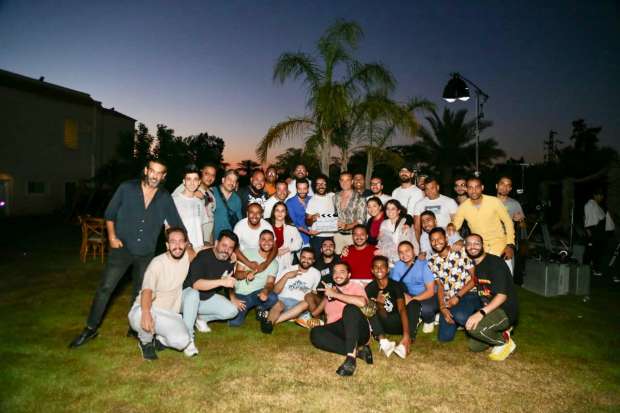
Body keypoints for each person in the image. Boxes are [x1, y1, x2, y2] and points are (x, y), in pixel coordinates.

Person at [69, 159, 187, 348]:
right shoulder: (127, 188)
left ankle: (134, 327)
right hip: (122, 249)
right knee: (106, 288)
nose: (155, 176)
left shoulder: (165, 197)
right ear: (146, 170)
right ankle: (90, 328)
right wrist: (112, 237)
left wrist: (182, 245)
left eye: (159, 173)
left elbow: (176, 224)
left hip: (146, 252)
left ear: (164, 176)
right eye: (152, 171)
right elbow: (110, 214)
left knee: (140, 292)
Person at [127, 227, 194, 360]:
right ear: (167, 245)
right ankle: (146, 342)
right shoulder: (157, 263)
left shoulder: (187, 257)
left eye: (181, 241)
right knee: (144, 315)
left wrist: (233, 253)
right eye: (173, 242)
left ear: (186, 244)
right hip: (146, 308)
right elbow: (147, 291)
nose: (177, 246)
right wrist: (146, 313)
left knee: (183, 341)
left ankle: (160, 339)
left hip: (169, 314)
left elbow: (206, 251)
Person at [181, 230, 239, 356]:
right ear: (216, 243)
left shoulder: (229, 261)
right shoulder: (203, 256)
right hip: (186, 298)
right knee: (194, 294)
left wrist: (232, 297)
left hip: (205, 298)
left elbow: (228, 280)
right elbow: (196, 285)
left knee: (232, 311)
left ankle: (200, 318)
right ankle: (187, 340)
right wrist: (222, 282)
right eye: (224, 245)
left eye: (230, 248)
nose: (226, 250)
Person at [309, 262, 372, 377]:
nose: (337, 275)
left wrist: (336, 294)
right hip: (340, 332)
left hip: (358, 330)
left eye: (342, 272)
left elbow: (362, 302)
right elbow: (315, 313)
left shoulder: (355, 287)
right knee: (315, 333)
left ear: (349, 275)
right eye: (335, 272)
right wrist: (310, 298)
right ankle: (359, 352)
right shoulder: (330, 291)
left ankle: (350, 359)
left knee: (350, 309)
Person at [465, 233, 519, 361]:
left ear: (483, 245)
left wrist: (481, 313)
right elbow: (485, 292)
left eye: (476, 243)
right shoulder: (477, 267)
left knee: (476, 329)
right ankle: (500, 332)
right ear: (465, 247)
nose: (473, 247)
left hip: (505, 310)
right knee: (474, 346)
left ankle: (504, 342)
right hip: (493, 308)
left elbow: (501, 296)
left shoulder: (495, 263)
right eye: (469, 244)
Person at [428, 228, 479, 342]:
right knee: (444, 337)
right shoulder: (432, 261)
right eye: (433, 240)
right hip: (449, 299)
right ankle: (460, 319)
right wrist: (442, 307)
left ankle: (477, 316)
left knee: (460, 315)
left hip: (468, 294)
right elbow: (440, 286)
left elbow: (475, 278)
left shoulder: (461, 252)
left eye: (439, 238)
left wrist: (458, 296)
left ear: (446, 239)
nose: (436, 242)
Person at [452, 176, 515, 258]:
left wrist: (510, 245)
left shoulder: (494, 201)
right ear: (466, 189)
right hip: (480, 250)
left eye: (477, 187)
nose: (474, 191)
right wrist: (457, 239)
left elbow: (508, 222)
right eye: (470, 187)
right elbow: (455, 226)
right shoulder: (463, 207)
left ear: (482, 188)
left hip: (501, 247)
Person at [229, 230, 279, 333]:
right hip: (241, 294)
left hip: (257, 294)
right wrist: (246, 274)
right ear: (259, 241)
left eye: (270, 240)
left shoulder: (274, 263)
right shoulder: (248, 253)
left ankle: (260, 308)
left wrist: (265, 291)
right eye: (263, 239)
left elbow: (270, 283)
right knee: (235, 322)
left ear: (273, 242)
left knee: (273, 297)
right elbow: (237, 274)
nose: (266, 242)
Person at [365, 256, 411, 359]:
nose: (379, 269)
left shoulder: (396, 285)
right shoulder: (370, 288)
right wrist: (380, 305)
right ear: (372, 270)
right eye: (376, 267)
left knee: (414, 304)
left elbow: (402, 309)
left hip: (397, 322)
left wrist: (406, 334)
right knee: (369, 307)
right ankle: (384, 342)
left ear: (388, 269)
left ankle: (406, 341)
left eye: (382, 266)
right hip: (382, 325)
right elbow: (380, 315)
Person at [389, 241, 436, 340]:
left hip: (427, 295)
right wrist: (403, 296)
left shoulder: (424, 264)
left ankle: (430, 319)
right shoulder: (398, 265)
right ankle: (415, 317)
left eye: (407, 251)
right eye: (401, 252)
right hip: (409, 293)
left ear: (413, 251)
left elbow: (430, 291)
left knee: (426, 309)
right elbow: (395, 286)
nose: (404, 254)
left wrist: (412, 300)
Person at [266, 248, 321, 327]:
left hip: (299, 304)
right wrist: (286, 276)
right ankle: (275, 321)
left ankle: (271, 322)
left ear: (313, 260)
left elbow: (314, 293)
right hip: (282, 300)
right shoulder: (288, 269)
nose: (306, 260)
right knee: (278, 304)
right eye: (304, 257)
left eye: (309, 258)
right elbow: (275, 291)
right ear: (299, 257)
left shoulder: (316, 273)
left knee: (306, 304)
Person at [496, 176, 526, 279]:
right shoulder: (488, 201)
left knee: (507, 274)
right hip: (489, 241)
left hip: (507, 244)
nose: (505, 187)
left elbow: (523, 226)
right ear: (497, 186)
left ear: (510, 189)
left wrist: (520, 220)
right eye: (502, 184)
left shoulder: (515, 204)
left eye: (508, 185)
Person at [412, 177, 458, 242]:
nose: (429, 191)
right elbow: (417, 228)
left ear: (438, 187)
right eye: (427, 189)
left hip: (446, 239)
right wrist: (420, 243)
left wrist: (454, 240)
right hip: (427, 240)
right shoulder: (419, 204)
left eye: (432, 188)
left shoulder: (450, 201)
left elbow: (456, 223)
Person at [173, 165, 208, 248]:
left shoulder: (199, 202)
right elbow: (169, 228)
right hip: (182, 248)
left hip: (199, 248)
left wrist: (203, 245)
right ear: (184, 181)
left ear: (199, 182)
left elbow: (200, 227)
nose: (192, 183)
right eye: (189, 179)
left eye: (195, 179)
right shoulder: (174, 201)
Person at [584, 188, 615, 277]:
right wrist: (588, 230)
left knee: (598, 251)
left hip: (600, 233)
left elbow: (606, 220)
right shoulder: (590, 204)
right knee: (590, 251)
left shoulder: (600, 207)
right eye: (599, 195)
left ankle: (595, 269)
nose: (601, 197)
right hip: (593, 230)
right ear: (594, 195)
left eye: (602, 195)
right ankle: (584, 270)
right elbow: (588, 218)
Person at [334, 172, 367, 254]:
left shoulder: (360, 198)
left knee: (353, 258)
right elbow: (334, 214)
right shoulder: (335, 196)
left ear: (352, 181)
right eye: (342, 180)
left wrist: (348, 226)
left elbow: (362, 220)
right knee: (338, 258)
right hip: (337, 235)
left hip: (353, 236)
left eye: (347, 180)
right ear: (339, 182)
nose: (344, 183)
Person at [377, 199, 417, 265]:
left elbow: (404, 247)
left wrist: (383, 251)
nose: (390, 211)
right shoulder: (384, 223)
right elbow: (382, 241)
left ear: (398, 211)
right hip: (388, 259)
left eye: (393, 209)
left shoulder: (405, 223)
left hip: (405, 258)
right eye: (388, 209)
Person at [305, 174, 336, 255]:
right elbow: (307, 222)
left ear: (327, 185)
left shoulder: (332, 196)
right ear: (315, 186)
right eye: (318, 184)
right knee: (317, 259)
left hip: (331, 235)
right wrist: (312, 218)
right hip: (318, 237)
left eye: (323, 183)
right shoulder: (312, 200)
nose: (320, 186)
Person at [269, 201, 303, 271]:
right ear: (273, 212)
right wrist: (274, 252)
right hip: (269, 257)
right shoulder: (267, 226)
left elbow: (299, 242)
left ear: (286, 213)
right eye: (277, 210)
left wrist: (286, 250)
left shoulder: (291, 227)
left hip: (284, 258)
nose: (280, 213)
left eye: (282, 211)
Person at [212, 169, 243, 240]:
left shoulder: (237, 199)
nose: (232, 183)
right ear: (223, 180)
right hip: (211, 238)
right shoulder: (212, 192)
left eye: (234, 181)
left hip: (228, 240)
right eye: (229, 179)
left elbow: (239, 222)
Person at [286, 178, 313, 247]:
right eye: (299, 189)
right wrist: (308, 232)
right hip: (300, 239)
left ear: (308, 189)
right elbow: (294, 224)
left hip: (314, 237)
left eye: (304, 189)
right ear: (296, 189)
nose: (302, 191)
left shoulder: (312, 199)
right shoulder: (290, 202)